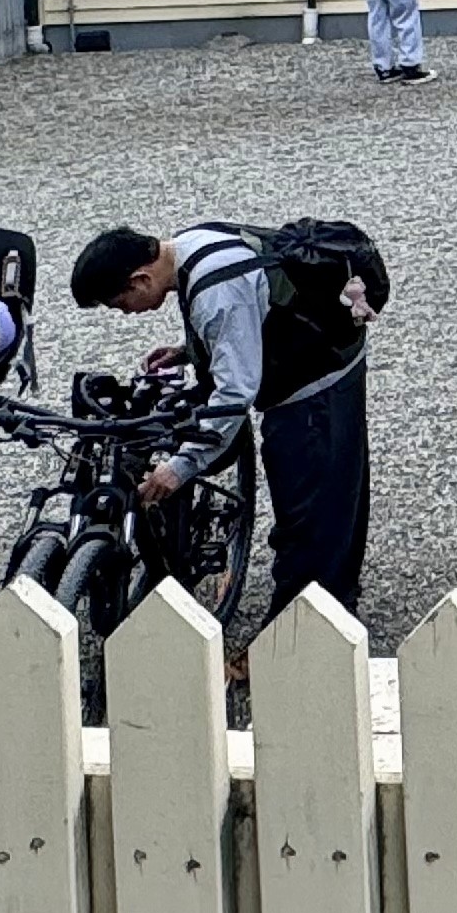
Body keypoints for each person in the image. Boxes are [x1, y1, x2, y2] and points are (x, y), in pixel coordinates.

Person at [71, 217, 384, 634]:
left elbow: (234, 396)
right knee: (335, 501)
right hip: (317, 357)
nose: (126, 314)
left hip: (313, 385)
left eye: (119, 304)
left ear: (139, 279)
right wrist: (188, 352)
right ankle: (334, 604)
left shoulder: (215, 294)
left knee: (309, 517)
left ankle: (303, 638)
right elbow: (249, 312)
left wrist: (181, 466)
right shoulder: (189, 244)